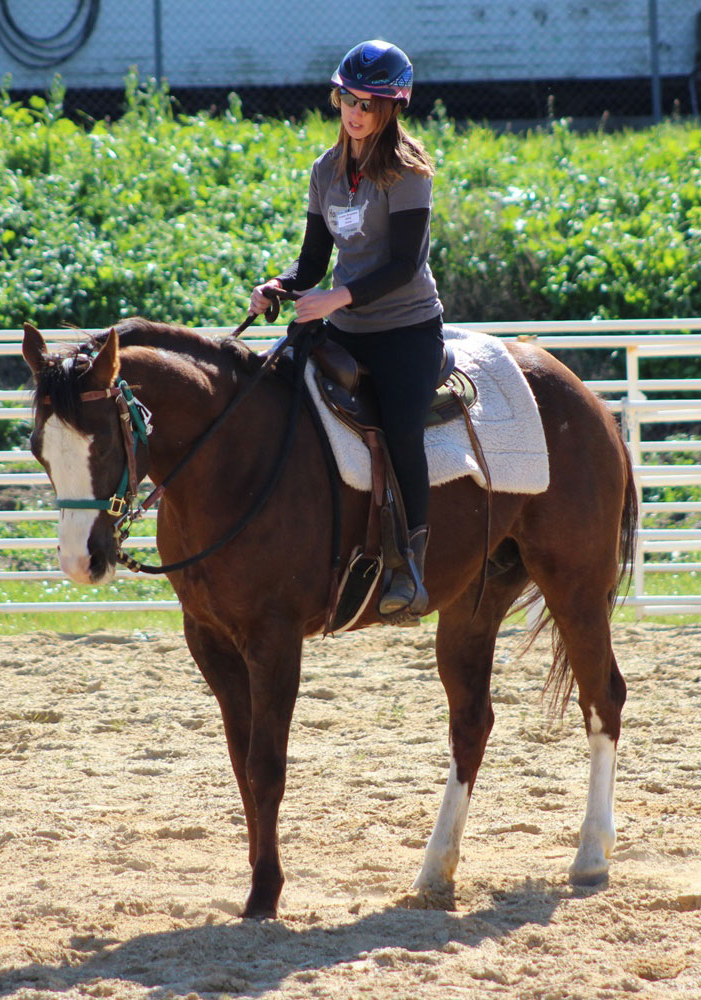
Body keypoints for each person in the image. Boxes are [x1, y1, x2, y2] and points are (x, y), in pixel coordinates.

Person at [250, 39, 443, 618]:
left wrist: (336, 296)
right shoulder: (324, 172)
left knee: (404, 430)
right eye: (346, 98)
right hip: (346, 325)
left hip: (407, 329)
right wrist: (279, 288)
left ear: (392, 109)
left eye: (368, 102)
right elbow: (311, 264)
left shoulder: (409, 173)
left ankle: (411, 561)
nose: (354, 112)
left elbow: (403, 265)